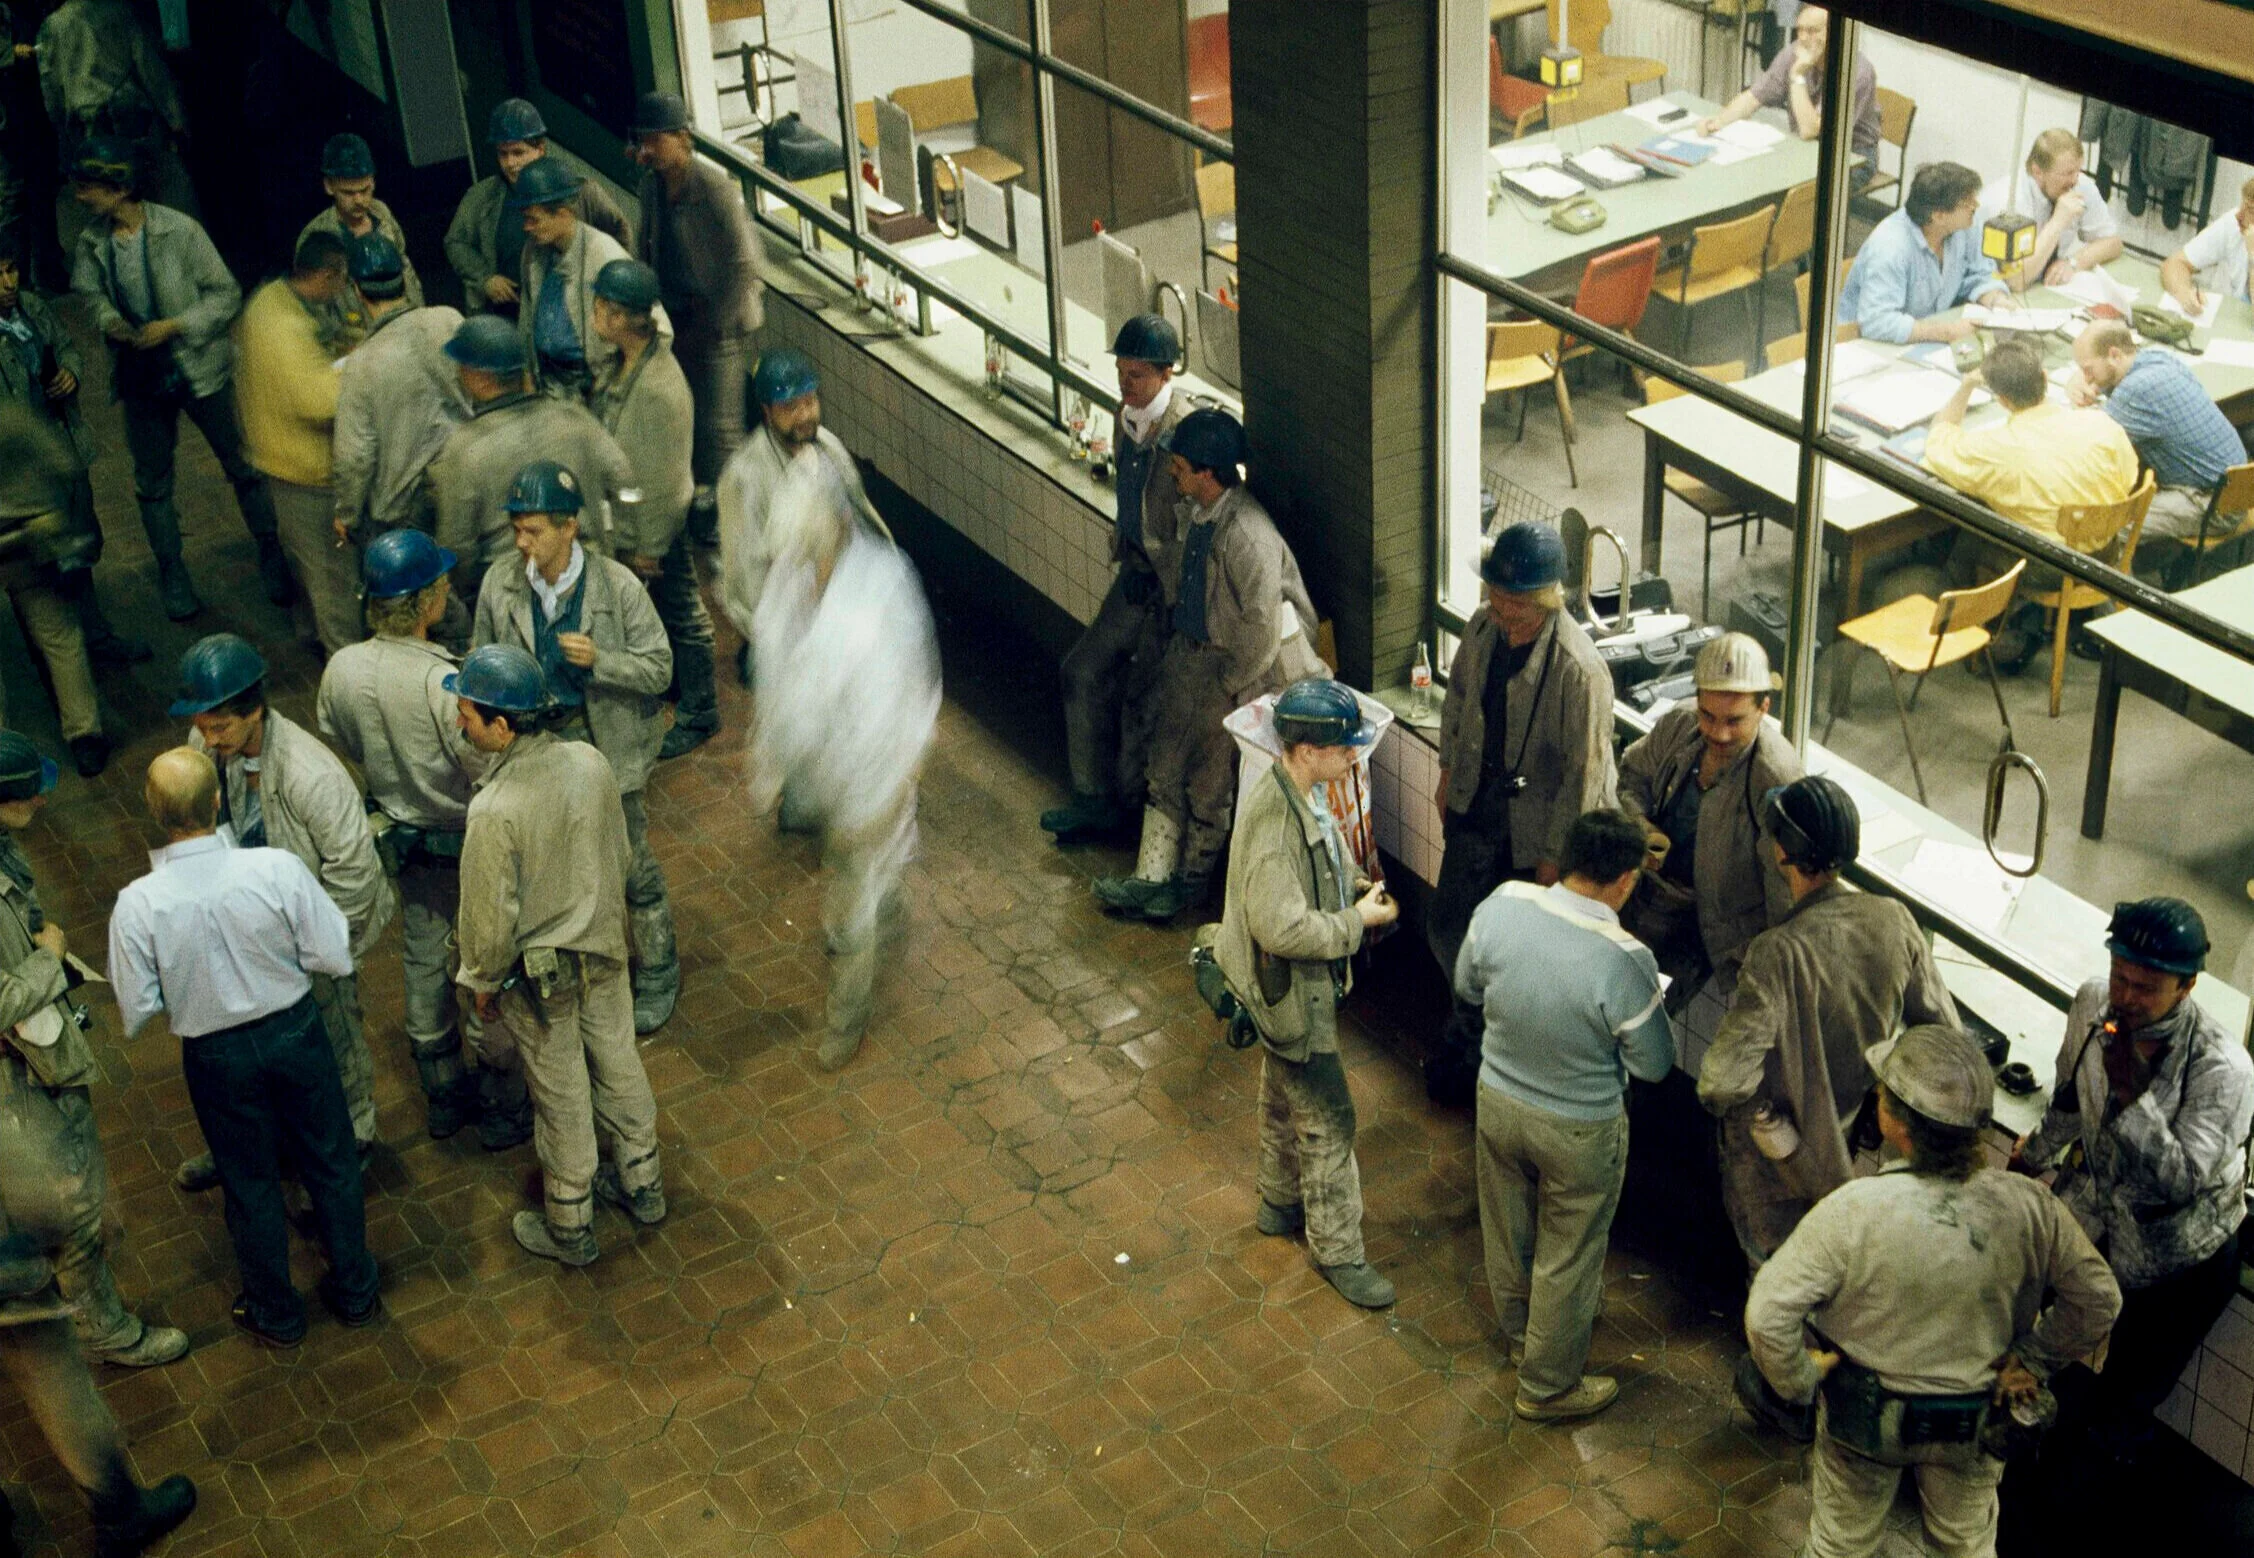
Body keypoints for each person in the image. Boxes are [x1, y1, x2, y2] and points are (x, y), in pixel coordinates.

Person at [1746, 1026, 2120, 1558]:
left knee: (1839, 1544)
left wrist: (1799, 1380)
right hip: (1975, 1415)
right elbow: (2100, 1298)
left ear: (1896, 1123)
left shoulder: (1854, 1209)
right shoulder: (2030, 1207)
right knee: (1965, 1546)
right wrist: (2034, 1359)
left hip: (1864, 1413)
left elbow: (1767, 1313)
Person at [108, 747, 382, 1347]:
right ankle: (357, 1291)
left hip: (216, 1059)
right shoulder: (276, 869)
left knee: (249, 1183)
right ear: (216, 801)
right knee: (330, 1162)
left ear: (153, 810)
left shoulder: (137, 904)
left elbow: (135, 1012)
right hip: (297, 1033)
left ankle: (277, 1314)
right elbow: (332, 952)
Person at [2012, 899, 2254, 1455]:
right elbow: (2070, 1094)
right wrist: (2035, 1156)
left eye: (2147, 987)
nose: (2126, 997)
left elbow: (2183, 1180)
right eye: (2122, 977)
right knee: (2016, 1300)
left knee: (2122, 1400)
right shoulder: (2094, 1003)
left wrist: (2133, 1098)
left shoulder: (2222, 1069)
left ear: (2187, 985)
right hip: (2097, 1213)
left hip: (2180, 1261)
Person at [451, 644, 663, 1266]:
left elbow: (489, 923)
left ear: (503, 725)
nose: (459, 722)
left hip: (537, 982)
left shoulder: (493, 811)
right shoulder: (589, 762)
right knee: (620, 1064)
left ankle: (570, 1224)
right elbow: (619, 855)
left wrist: (483, 982)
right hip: (604, 953)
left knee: (562, 1094)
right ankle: (643, 1183)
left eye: (467, 712)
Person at [1459, 808, 1672, 1418]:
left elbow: (1468, 985)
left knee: (1507, 1228)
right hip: (1581, 1127)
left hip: (1497, 1100)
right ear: (1627, 880)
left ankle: (1522, 1339)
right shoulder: (1625, 958)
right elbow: (1654, 1065)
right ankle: (1548, 1385)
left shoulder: (1504, 904)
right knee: (1569, 1252)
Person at [1699, 779, 1959, 1272]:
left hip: (1773, 1161)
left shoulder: (1777, 952)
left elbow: (1720, 1082)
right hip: (1849, 1137)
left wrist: (1756, 1114)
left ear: (1781, 851)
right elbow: (1943, 1033)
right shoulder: (1895, 920)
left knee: (1775, 1275)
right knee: (1833, 1268)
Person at [171, 634, 394, 1186]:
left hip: (312, 939)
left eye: (219, 725)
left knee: (333, 1042)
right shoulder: (207, 748)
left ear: (254, 711)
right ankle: (258, 1148)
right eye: (201, 723)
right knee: (254, 1053)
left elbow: (355, 877)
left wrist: (314, 954)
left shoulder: (310, 776)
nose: (207, 736)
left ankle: (355, 1142)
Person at [0, 731, 188, 1369]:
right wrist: (47, 963)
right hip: (20, 1080)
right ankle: (102, 1331)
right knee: (76, 1207)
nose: (42, 802)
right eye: (29, 795)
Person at [470, 459, 678, 1035]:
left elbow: (661, 667)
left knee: (630, 863)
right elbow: (481, 663)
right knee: (549, 866)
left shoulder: (616, 586)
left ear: (569, 528)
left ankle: (658, 966)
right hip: (536, 750)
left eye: (532, 530)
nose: (520, 542)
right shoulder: (501, 585)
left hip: (606, 747)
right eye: (516, 528)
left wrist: (602, 662)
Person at [1094, 408, 1325, 922]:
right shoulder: (1199, 514)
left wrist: (1230, 683)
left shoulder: (1248, 535)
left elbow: (1263, 628)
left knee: (1208, 785)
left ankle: (1189, 890)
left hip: (1233, 671)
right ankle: (1149, 879)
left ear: (1207, 472)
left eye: (1179, 467)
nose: (1172, 475)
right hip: (1192, 655)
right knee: (1165, 764)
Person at [748, 456, 939, 1069]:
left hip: (873, 775)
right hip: (821, 773)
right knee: (859, 876)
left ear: (835, 522)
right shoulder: (790, 581)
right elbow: (774, 672)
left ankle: (846, 1016)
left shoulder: (883, 588)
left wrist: (886, 795)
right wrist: (772, 764)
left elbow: (906, 699)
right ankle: (889, 901)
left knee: (851, 901)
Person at [1214, 680, 1399, 1310]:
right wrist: (1359, 923)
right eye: (1343, 746)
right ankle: (1339, 1251)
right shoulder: (1273, 825)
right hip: (1289, 995)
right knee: (1328, 1118)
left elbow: (1325, 861)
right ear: (1304, 748)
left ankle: (1277, 1201)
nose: (1354, 755)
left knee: (1279, 1093)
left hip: (1280, 994)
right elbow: (1282, 927)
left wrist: (1353, 886)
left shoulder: (1304, 794)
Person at [316, 531, 495, 1144]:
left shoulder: (342, 667)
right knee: (485, 962)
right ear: (427, 604)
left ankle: (442, 1094)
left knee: (422, 959)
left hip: (403, 839)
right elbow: (481, 763)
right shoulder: (441, 682)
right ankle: (501, 1099)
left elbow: (336, 731)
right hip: (464, 840)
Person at [68, 136, 287, 620]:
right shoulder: (93, 243)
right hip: (140, 375)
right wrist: (111, 322)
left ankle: (271, 553)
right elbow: (89, 294)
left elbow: (224, 294)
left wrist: (177, 325)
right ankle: (173, 573)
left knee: (243, 465)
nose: (81, 197)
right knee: (151, 481)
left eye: (89, 188)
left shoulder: (179, 232)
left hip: (198, 368)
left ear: (119, 189)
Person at [1431, 521, 1616, 984]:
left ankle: (1493, 1037)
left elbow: (1585, 777)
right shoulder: (1482, 625)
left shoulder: (1580, 671)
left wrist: (1555, 856)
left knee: (1513, 951)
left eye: (1516, 609)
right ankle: (1469, 1018)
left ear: (1546, 601)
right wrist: (1447, 769)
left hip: (1534, 829)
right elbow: (1457, 698)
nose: (1502, 616)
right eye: (1496, 600)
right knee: (1448, 926)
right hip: (1477, 802)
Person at [1042, 314, 1190, 845]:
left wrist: (1178, 601)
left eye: (1137, 377)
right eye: (1122, 373)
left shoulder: (1182, 434)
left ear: (1165, 374)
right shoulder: (1124, 418)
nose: (1126, 386)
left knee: (1143, 703)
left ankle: (1134, 819)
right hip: (1135, 577)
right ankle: (1093, 797)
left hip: (1172, 595)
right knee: (1081, 671)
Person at [1925, 337, 2138, 671]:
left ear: (2002, 400)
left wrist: (1966, 385)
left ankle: (1962, 629)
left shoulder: (1998, 448)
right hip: (2106, 552)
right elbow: (2129, 479)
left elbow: (1938, 442)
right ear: (2044, 375)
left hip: (2050, 568)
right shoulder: (2100, 424)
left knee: (1969, 534)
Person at [1617, 632, 1800, 1003]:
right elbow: (1632, 776)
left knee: (1638, 1011)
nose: (1718, 732)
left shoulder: (1776, 777)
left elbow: (1784, 889)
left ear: (1764, 708)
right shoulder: (1679, 725)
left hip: (1701, 925)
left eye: (1734, 721)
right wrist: (1641, 826)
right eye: (1708, 715)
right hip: (1638, 888)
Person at [0, 232, 144, 692]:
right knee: (31, 577)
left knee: (78, 549)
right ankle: (52, 665)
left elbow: (65, 346)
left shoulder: (30, 309)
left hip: (62, 450)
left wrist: (71, 372)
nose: (7, 283)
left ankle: (95, 641)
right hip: (19, 481)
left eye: (11, 270)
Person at [588, 257, 718, 759]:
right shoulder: (624, 365)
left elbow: (663, 479)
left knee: (684, 613)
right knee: (662, 614)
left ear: (619, 317)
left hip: (658, 529)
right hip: (634, 527)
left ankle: (701, 711)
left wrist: (649, 547)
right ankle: (679, 689)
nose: (595, 316)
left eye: (600, 308)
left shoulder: (659, 388)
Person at [628, 89, 764, 550]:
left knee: (720, 431)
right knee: (681, 421)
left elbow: (745, 263)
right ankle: (703, 519)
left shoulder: (714, 188)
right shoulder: (651, 187)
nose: (647, 151)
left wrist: (713, 324)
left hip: (717, 326)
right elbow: (644, 246)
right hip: (674, 320)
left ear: (682, 138)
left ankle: (738, 531)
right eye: (642, 141)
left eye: (655, 141)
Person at [716, 347, 882, 691]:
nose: (804, 415)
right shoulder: (744, 476)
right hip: (785, 628)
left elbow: (861, 517)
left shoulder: (828, 447)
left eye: (809, 402)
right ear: (766, 411)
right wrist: (775, 641)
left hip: (836, 613)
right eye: (790, 408)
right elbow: (744, 575)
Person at [429, 314, 633, 582]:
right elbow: (624, 481)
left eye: (462, 368)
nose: (457, 375)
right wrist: (627, 547)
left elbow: (456, 546)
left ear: (480, 379)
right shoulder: (574, 417)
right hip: (587, 573)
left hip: (513, 588)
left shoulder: (464, 449)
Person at [236, 231, 356, 656]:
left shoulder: (269, 298)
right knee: (332, 577)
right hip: (304, 468)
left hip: (277, 458)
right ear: (327, 276)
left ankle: (309, 631)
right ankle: (344, 657)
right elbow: (319, 400)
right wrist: (356, 366)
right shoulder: (287, 326)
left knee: (305, 565)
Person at [329, 231, 466, 549]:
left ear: (357, 290)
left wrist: (346, 515)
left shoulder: (361, 364)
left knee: (424, 594)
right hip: (465, 476)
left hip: (408, 510)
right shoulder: (449, 319)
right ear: (404, 279)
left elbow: (354, 457)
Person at [2068, 318, 2243, 561]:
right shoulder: (2158, 358)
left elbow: (2090, 440)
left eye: (2088, 369)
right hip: (2236, 491)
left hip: (2212, 505)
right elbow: (2115, 390)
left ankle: (2117, 592)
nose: (2085, 377)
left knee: (2103, 528)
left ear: (2114, 354)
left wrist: (2074, 399)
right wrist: (2090, 380)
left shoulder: (2135, 391)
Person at [446, 99, 631, 322]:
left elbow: (620, 233)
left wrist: (612, 291)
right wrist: (484, 278)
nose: (510, 163)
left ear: (540, 149)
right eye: (502, 154)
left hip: (575, 314)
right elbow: (455, 241)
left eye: (518, 152)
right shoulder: (482, 197)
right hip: (510, 313)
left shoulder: (581, 193)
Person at [0, 402, 108, 778]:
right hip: (34, 540)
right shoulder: (12, 415)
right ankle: (85, 738)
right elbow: (65, 462)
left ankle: (3, 755)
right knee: (60, 639)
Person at [34, 0, 194, 220]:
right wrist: (176, 119)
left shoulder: (52, 26)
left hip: (89, 124)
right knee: (148, 199)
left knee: (106, 203)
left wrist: (64, 132)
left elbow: (51, 90)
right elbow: (150, 68)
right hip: (132, 118)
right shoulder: (122, 11)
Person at [1836, 162, 2014, 345]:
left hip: (1921, 341)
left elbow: (1981, 271)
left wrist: (1994, 298)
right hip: (1865, 344)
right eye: (1967, 203)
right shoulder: (1890, 247)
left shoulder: (1966, 226)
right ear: (1939, 216)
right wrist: (1947, 332)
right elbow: (1877, 322)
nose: (1975, 206)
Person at [1699, 6, 1878, 179]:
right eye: (1799, 30)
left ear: (1835, 31)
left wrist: (1797, 75)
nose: (1803, 38)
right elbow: (1753, 97)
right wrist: (1718, 123)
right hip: (1804, 146)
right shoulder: (1794, 52)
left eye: (1812, 31)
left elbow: (1810, 129)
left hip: (1850, 156)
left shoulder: (1856, 71)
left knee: (1792, 194)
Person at [511, 157, 631, 399]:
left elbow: (653, 331)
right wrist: (527, 373)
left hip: (595, 387)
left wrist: (617, 388)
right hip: (549, 384)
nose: (526, 227)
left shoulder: (604, 254)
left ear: (564, 214)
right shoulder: (533, 252)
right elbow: (526, 318)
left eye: (533, 219)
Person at [297, 132, 422, 351]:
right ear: (329, 186)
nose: (359, 200)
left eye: (365, 190)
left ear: (373, 180)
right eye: (348, 192)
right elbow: (312, 308)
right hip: (356, 345)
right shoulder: (316, 238)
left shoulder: (382, 214)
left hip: (403, 332)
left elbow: (405, 267)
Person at [1988, 127, 2123, 290]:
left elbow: (2113, 243)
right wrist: (2058, 222)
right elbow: (2015, 280)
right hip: (1998, 291)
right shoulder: (2008, 202)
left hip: (2045, 288)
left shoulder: (2080, 185)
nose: (2074, 180)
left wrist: (2074, 263)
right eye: (2067, 173)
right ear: (2037, 171)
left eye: (2077, 171)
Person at [2159, 174, 2254, 319]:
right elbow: (2175, 263)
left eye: (2251, 211)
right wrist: (2184, 293)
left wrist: (2252, 255)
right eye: (2242, 204)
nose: (2239, 215)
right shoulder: (2234, 223)